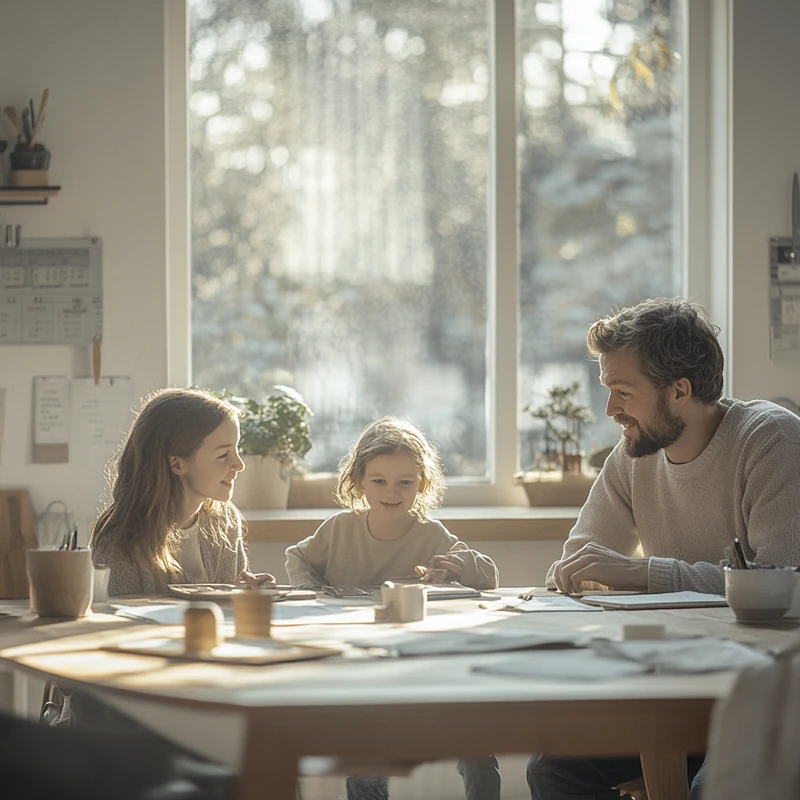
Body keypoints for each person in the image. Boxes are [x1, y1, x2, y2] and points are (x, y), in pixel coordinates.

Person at [528, 298, 800, 800]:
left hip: (766, 691)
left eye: (623, 392)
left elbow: (784, 586)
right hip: (675, 685)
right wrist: (598, 571)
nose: (610, 410)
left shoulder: (771, 440)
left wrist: (645, 573)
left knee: (713, 789)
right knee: (553, 769)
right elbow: (576, 562)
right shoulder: (635, 454)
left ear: (680, 390)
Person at [285, 416, 501, 800]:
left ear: (423, 485)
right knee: (368, 754)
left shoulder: (431, 532)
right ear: (359, 482)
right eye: (379, 481)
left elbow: (488, 575)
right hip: (355, 662)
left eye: (406, 482)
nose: (392, 492)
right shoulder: (339, 528)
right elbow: (296, 557)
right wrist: (315, 594)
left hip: (418, 662)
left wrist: (459, 567)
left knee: (477, 742)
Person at [91, 387, 274, 595]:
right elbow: (118, 620)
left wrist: (246, 592)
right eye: (224, 454)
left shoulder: (225, 520)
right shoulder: (120, 541)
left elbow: (226, 602)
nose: (239, 464)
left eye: (236, 450)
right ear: (177, 464)